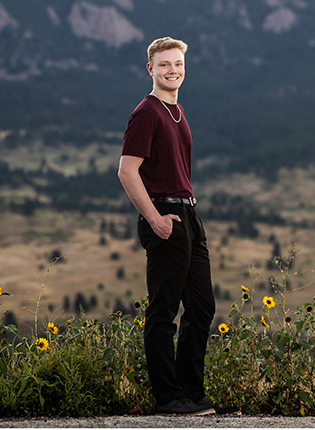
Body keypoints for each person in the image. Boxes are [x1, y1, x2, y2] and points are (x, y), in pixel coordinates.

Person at [118, 36, 217, 416]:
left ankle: (191, 394)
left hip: (188, 215)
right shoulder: (147, 112)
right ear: (150, 70)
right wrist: (155, 220)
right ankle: (167, 398)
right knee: (164, 311)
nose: (172, 70)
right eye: (164, 65)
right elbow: (127, 172)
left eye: (177, 64)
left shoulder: (176, 110)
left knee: (201, 307)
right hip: (164, 216)